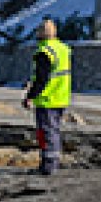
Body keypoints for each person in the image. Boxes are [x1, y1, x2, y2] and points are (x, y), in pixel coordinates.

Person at [22, 19, 71, 175]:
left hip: (47, 99)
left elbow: (42, 79)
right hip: (61, 97)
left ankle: (49, 165)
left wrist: (30, 96)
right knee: (54, 132)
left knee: (46, 133)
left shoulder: (45, 52)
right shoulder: (63, 49)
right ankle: (52, 162)